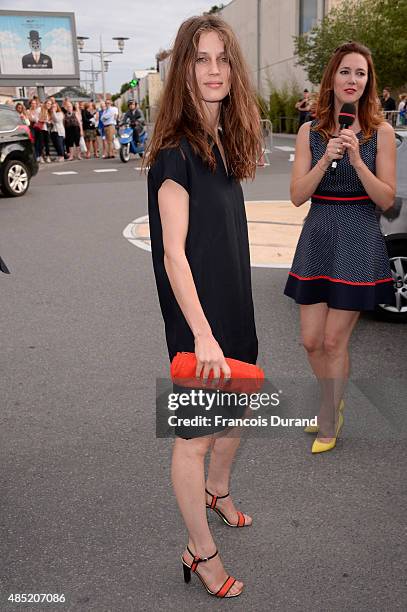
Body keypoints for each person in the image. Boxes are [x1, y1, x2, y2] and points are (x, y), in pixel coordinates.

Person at [146, 14, 262, 599]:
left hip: (233, 309)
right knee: (192, 437)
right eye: (201, 60)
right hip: (201, 324)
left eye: (222, 59)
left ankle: (218, 491)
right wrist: (203, 337)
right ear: (183, 72)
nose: (214, 70)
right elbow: (172, 254)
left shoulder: (222, 139)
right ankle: (201, 548)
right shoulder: (175, 153)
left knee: (239, 410)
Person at [284, 41, 396, 453]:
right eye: (346, 71)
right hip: (318, 235)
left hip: (358, 236)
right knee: (311, 341)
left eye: (360, 74)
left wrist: (357, 161)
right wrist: (325, 157)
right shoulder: (308, 133)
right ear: (332, 77)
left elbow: (385, 199)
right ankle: (335, 396)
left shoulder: (380, 133)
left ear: (368, 83)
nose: (352, 80)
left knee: (335, 341)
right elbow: (297, 195)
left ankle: (329, 414)